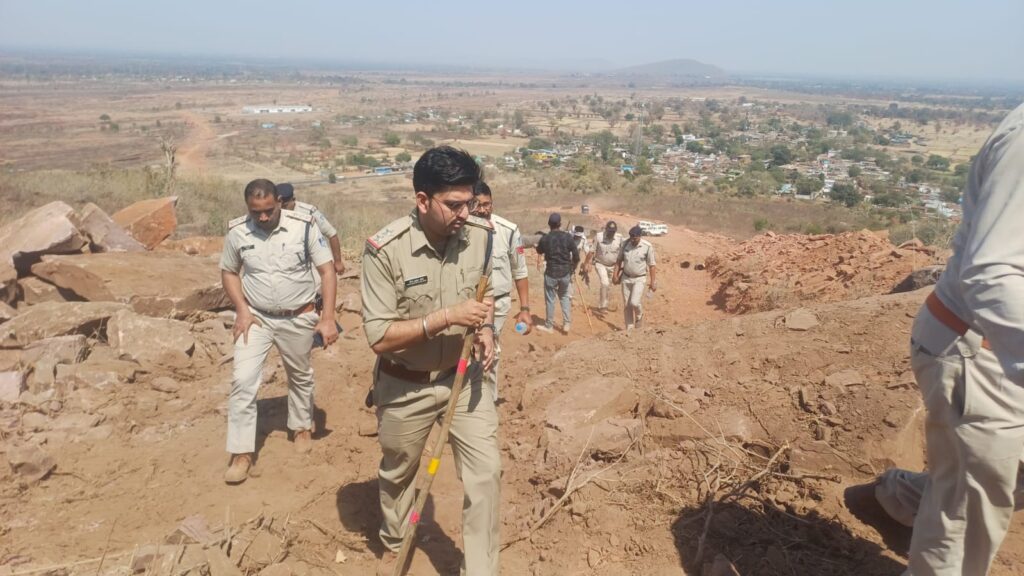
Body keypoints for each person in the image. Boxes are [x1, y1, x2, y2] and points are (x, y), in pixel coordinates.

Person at [845, 102, 1024, 575]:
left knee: (985, 477)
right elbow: (993, 271)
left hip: (1000, 352)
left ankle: (901, 499)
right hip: (982, 353)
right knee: (964, 525)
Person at [360, 146, 500, 576]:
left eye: (470, 202)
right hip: (405, 384)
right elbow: (379, 336)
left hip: (464, 377)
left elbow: (486, 292)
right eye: (454, 204)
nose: (465, 213)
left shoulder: (481, 236)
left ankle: (480, 570)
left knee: (486, 474)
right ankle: (396, 541)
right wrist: (446, 317)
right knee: (399, 472)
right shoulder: (385, 250)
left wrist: (486, 328)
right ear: (423, 200)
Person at [219, 179, 338, 484]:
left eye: (268, 210)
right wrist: (242, 310)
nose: (262, 217)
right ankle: (241, 453)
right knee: (243, 380)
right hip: (256, 317)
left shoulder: (304, 226)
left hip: (298, 316)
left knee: (299, 374)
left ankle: (301, 426)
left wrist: (327, 318)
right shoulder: (238, 232)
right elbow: (229, 271)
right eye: (255, 211)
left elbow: (327, 271)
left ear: (279, 203)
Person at [472, 181, 532, 403]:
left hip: (497, 303)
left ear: (492, 203)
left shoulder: (508, 231)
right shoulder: (458, 231)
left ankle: (487, 402)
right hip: (467, 304)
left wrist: (525, 309)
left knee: (489, 349)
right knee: (467, 350)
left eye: (486, 204)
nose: (482, 210)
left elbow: (520, 270)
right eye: (477, 205)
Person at [277, 182, 347, 275]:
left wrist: (338, 262)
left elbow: (332, 234)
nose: (282, 209)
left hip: (310, 265)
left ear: (293, 200)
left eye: (285, 206)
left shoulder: (309, 212)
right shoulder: (273, 214)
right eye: (279, 205)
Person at [535, 213, 579, 334]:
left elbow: (539, 250)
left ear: (549, 224)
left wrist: (538, 246)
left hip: (551, 273)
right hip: (565, 273)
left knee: (550, 300)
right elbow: (576, 256)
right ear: (560, 224)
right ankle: (567, 324)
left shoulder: (545, 238)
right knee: (564, 297)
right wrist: (572, 268)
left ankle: (549, 326)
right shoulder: (568, 237)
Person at [613, 226, 657, 331]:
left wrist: (653, 282)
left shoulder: (647, 246)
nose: (632, 240)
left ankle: (639, 315)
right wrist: (615, 275)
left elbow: (652, 265)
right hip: (626, 278)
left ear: (640, 236)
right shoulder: (625, 244)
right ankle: (630, 328)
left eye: (635, 238)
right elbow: (619, 261)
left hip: (639, 278)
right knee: (627, 304)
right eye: (631, 237)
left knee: (634, 302)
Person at [585, 221, 624, 312]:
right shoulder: (599, 236)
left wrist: (620, 269)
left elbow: (623, 253)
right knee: (605, 282)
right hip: (600, 264)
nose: (611, 233)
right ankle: (603, 306)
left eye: (613, 232)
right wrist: (586, 263)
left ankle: (603, 304)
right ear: (606, 229)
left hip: (613, 266)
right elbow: (591, 251)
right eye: (609, 231)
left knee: (607, 286)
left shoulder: (619, 238)